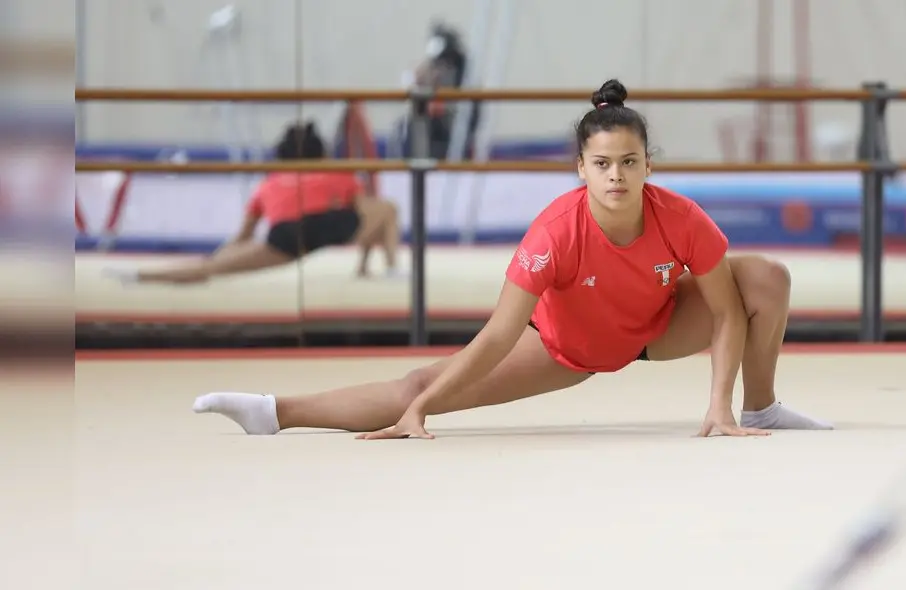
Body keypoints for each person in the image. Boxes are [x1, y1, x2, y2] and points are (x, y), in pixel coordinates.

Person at [193, 80, 833, 439]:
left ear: (648, 166)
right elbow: (500, 334)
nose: (617, 176)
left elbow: (726, 313)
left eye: (630, 163)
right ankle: (278, 412)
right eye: (602, 164)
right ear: (581, 168)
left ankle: (761, 406)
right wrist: (422, 407)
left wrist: (717, 406)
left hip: (657, 328)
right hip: (566, 348)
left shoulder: (680, 217)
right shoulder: (555, 231)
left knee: (764, 278)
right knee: (421, 389)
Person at [104, 121, 401, 284]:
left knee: (211, 269)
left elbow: (244, 236)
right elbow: (366, 210)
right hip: (331, 224)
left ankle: (142, 275)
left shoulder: (269, 182)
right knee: (386, 209)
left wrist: (218, 259)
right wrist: (359, 248)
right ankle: (387, 269)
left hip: (284, 235)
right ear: (320, 154)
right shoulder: (335, 171)